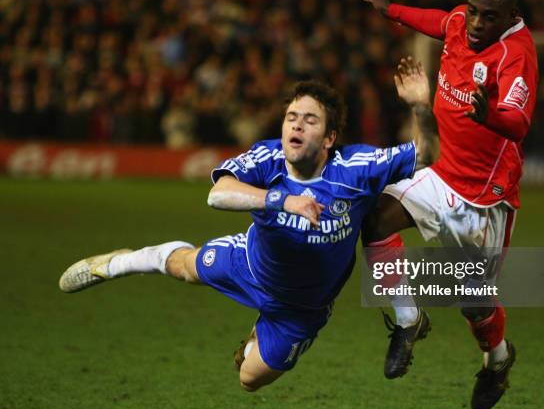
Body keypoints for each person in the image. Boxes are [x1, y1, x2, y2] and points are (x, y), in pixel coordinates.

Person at [59, 74, 422, 392]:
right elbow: (218, 194)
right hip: (249, 263)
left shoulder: (356, 169)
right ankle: (118, 263)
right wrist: (281, 200)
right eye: (291, 118)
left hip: (301, 309)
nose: (295, 126)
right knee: (186, 268)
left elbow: (425, 154)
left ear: (329, 138)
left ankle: (260, 333)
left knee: (248, 379)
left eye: (309, 120)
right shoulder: (268, 158)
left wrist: (420, 107)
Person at [358, 0, 539, 409]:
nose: (475, 23)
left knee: (474, 305)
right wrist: (390, 10)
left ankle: (497, 361)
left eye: (488, 17)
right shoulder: (461, 21)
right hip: (442, 175)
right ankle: (408, 319)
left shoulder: (516, 53)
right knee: (376, 218)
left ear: (511, 16)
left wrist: (487, 115)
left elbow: (519, 122)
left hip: (486, 197)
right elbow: (438, 20)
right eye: (473, 11)